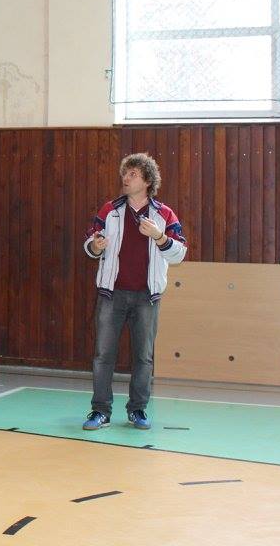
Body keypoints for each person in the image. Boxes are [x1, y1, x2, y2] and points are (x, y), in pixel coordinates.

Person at [81, 153, 187, 431]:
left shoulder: (164, 215)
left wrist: (159, 236)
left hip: (146, 298)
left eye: (132, 174)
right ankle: (100, 411)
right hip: (111, 295)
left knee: (143, 357)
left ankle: (137, 409)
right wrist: (95, 247)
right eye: (124, 174)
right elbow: (90, 242)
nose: (125, 179)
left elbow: (179, 253)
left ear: (147, 181)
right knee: (103, 355)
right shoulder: (110, 210)